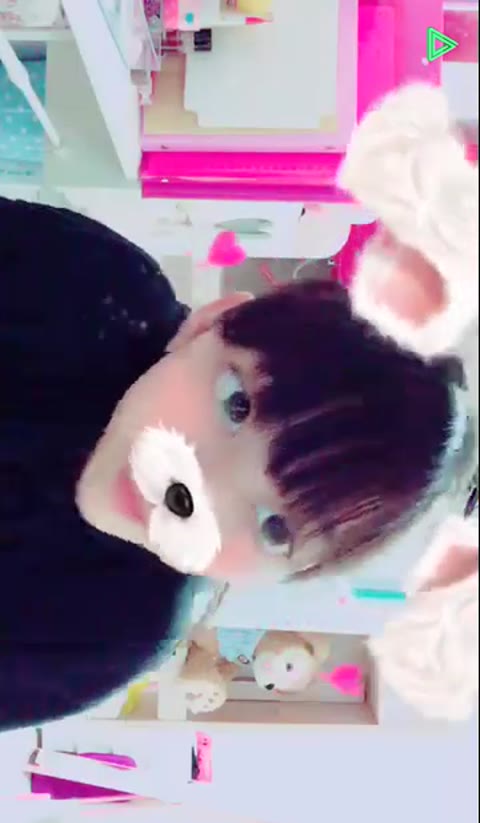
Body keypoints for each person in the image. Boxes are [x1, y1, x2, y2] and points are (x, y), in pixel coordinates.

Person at [0, 94, 472, 729]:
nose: (197, 487)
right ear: (210, 325)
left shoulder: (110, 630)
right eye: (236, 404)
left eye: (276, 528)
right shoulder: (92, 288)